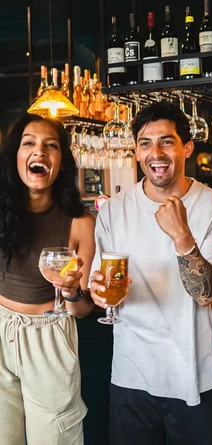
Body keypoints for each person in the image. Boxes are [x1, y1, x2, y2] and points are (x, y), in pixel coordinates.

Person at [89, 101, 212, 445]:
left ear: (187, 147)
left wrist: (182, 236)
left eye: (166, 141)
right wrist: (99, 292)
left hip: (194, 376)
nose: (155, 152)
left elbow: (206, 294)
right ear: (136, 151)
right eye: (145, 143)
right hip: (130, 376)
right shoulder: (113, 211)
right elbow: (101, 289)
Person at [0, 113, 96, 445]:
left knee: (55, 438)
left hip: (49, 337)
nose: (40, 152)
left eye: (51, 146)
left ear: (61, 161)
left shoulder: (80, 221)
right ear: (16, 156)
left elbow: (82, 309)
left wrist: (70, 294)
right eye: (29, 143)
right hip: (0, 329)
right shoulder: (2, 211)